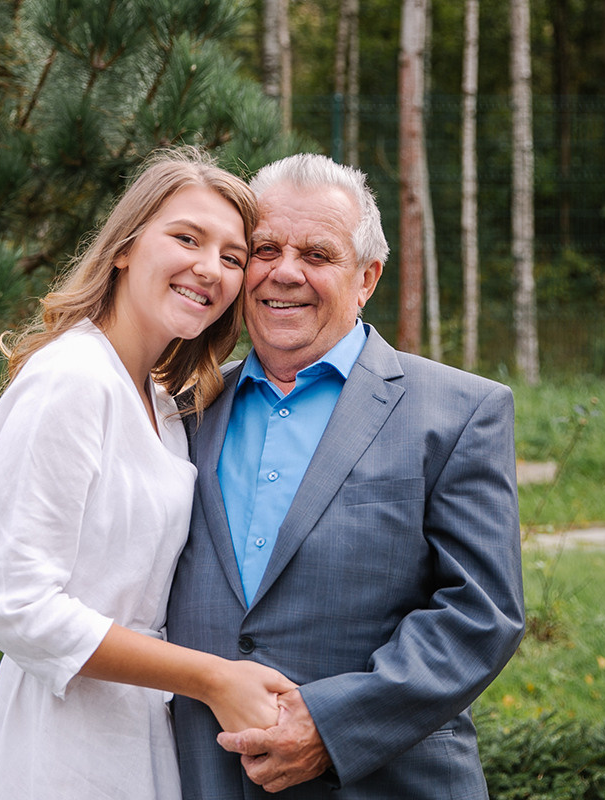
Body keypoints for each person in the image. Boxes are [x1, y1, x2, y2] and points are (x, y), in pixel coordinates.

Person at [166, 153, 525, 799]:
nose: (284, 273)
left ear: (366, 278)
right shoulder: (182, 409)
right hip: (200, 772)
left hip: (381, 781)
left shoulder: (459, 411)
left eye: (317, 255)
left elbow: (482, 611)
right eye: (265, 248)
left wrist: (330, 729)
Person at [0, 147, 296, 800]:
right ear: (124, 248)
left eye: (232, 256)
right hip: (60, 741)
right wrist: (212, 678)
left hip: (140, 732)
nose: (210, 268)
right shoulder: (72, 380)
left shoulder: (164, 402)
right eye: (187, 238)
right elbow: (12, 604)